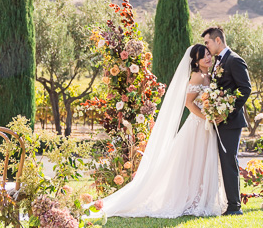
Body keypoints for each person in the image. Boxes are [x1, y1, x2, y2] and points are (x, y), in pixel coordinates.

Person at [97, 43, 226, 218]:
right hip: (196, 126)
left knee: (202, 162)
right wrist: (207, 117)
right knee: (192, 162)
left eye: (209, 54)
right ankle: (190, 200)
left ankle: (201, 198)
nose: (208, 58)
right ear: (196, 60)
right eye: (204, 56)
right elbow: (189, 103)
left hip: (206, 126)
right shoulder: (196, 76)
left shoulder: (208, 75)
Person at [202, 25, 253, 216]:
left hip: (231, 121)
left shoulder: (234, 60)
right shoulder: (218, 61)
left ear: (217, 40)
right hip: (219, 120)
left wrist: (226, 112)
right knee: (223, 161)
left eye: (207, 42)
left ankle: (234, 206)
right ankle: (228, 202)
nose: (206, 46)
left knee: (228, 161)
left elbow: (245, 89)